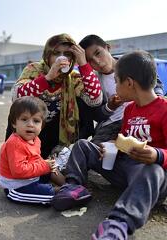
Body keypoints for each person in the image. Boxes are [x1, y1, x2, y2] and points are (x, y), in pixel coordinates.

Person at [52, 51, 167, 239]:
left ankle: (118, 224)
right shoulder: (129, 109)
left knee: (153, 170)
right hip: (123, 168)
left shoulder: (164, 109)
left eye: (116, 81)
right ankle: (74, 186)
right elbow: (124, 137)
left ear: (129, 83)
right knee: (83, 146)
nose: (115, 86)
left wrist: (157, 155)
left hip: (150, 178)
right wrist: (111, 145)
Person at [8, 33, 103, 159]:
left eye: (67, 54)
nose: (61, 58)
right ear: (47, 55)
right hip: (28, 129)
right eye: (56, 53)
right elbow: (16, 97)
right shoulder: (34, 69)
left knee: (82, 104)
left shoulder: (73, 77)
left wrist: (84, 65)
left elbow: (95, 100)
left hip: (54, 133)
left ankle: (64, 152)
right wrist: (47, 78)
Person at [78, 34, 165, 143]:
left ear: (107, 48)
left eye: (98, 53)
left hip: (142, 118)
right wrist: (109, 106)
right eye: (90, 60)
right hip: (111, 125)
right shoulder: (92, 81)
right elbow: (96, 115)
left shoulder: (132, 62)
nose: (98, 62)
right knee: (92, 151)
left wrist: (155, 104)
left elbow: (154, 83)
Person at [0, 96, 66, 204]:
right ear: (14, 123)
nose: (30, 124)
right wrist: (44, 166)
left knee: (53, 170)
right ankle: (66, 191)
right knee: (49, 193)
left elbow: (36, 159)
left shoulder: (36, 140)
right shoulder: (14, 143)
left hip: (32, 177)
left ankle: (68, 185)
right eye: (24, 119)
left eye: (36, 121)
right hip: (17, 187)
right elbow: (18, 171)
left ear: (41, 126)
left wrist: (48, 165)